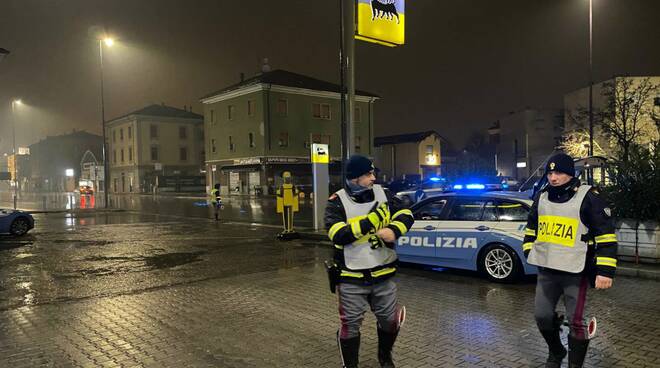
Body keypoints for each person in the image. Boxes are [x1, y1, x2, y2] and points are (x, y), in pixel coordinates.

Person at [523, 153, 618, 368]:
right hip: (547, 270)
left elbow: (606, 236)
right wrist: (530, 251)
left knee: (576, 322)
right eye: (550, 173)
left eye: (558, 173)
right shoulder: (542, 197)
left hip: (575, 272)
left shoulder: (589, 197)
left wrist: (605, 271)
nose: (553, 177)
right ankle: (556, 351)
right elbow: (531, 229)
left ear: (570, 174)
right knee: (542, 317)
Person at [325, 155, 415, 368]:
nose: (373, 178)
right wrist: (371, 221)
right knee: (351, 327)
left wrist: (394, 230)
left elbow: (406, 213)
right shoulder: (336, 201)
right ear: (355, 178)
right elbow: (337, 234)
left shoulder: (383, 194)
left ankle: (384, 357)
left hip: (383, 275)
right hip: (350, 278)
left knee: (389, 322)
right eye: (368, 174)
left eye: (373, 173)